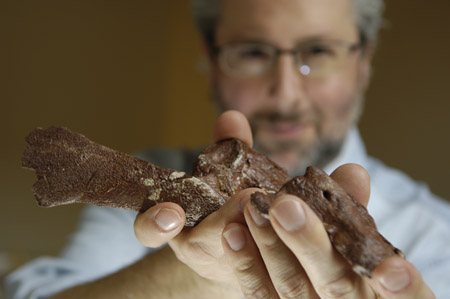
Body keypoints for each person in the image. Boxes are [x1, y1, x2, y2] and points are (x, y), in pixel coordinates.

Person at [5, 0, 450, 298]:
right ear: (211, 62)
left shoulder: (435, 237)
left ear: (364, 62)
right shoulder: (149, 186)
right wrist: (195, 275)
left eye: (318, 50)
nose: (286, 93)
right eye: (253, 52)